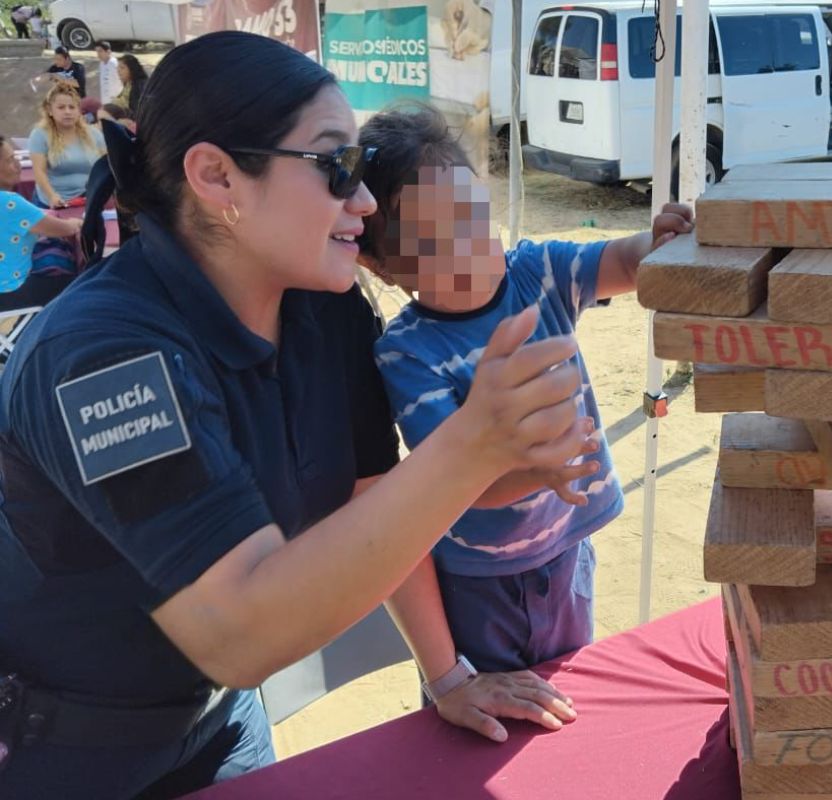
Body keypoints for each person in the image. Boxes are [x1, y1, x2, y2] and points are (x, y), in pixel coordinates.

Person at [0, 31, 589, 799]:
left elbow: (371, 496)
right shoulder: (102, 354)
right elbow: (237, 630)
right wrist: (472, 448)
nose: (367, 201)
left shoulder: (325, 311)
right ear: (216, 177)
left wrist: (446, 676)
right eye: (337, 165)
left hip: (220, 727)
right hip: (68, 754)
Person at [357, 102, 693, 743]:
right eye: (430, 243)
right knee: (483, 727)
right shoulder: (407, 352)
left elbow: (621, 262)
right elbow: (455, 483)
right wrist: (535, 471)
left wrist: (660, 241)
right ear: (382, 268)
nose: (466, 245)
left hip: (567, 554)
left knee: (562, 697)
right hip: (478, 582)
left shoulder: (537, 271)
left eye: (470, 213)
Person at [0, 134, 84, 309]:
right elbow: (64, 229)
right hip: (11, 291)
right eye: (10, 160)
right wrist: (77, 222)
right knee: (81, 283)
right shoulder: (9, 202)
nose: (17, 164)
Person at [28, 80, 106, 208]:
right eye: (61, 107)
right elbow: (39, 172)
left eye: (72, 107)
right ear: (49, 110)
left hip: (89, 199)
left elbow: (107, 166)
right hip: (51, 202)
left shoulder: (95, 134)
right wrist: (52, 196)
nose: (67, 112)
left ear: (79, 110)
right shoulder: (39, 135)